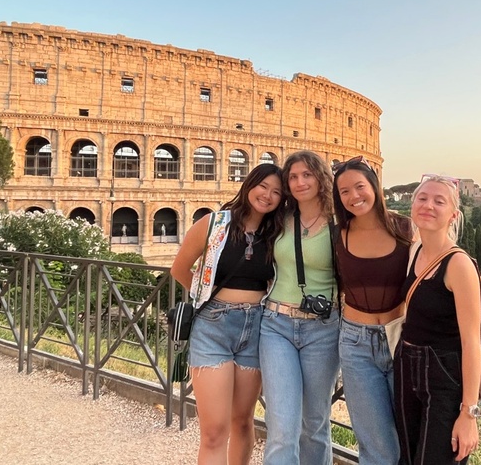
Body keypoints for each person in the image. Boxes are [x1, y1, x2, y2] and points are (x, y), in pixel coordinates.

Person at [170, 163, 285, 465]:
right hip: (212, 328)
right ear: (250, 184)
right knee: (213, 431)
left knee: (244, 422)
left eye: (276, 192)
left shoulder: (276, 234)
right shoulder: (213, 223)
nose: (268, 195)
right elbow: (180, 268)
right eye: (263, 186)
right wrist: (205, 296)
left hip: (257, 327)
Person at [259, 151, 340, 465]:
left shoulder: (339, 221)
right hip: (276, 324)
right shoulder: (280, 218)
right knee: (281, 426)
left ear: (321, 177)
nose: (299, 182)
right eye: (292, 177)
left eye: (307, 174)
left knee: (315, 423)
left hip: (323, 328)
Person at [394, 174, 481, 464]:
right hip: (407, 366)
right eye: (422, 198)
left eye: (438, 201)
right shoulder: (415, 249)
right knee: (408, 458)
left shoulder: (458, 264)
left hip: (443, 377)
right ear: (412, 205)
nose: (428, 205)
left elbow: (472, 342)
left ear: (453, 215)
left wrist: (469, 413)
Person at [332, 155, 413, 465]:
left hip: (402, 338)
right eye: (344, 192)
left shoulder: (405, 227)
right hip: (355, 344)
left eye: (360, 187)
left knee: (410, 435)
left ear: (375, 187)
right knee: (376, 445)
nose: (354, 196)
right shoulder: (338, 235)